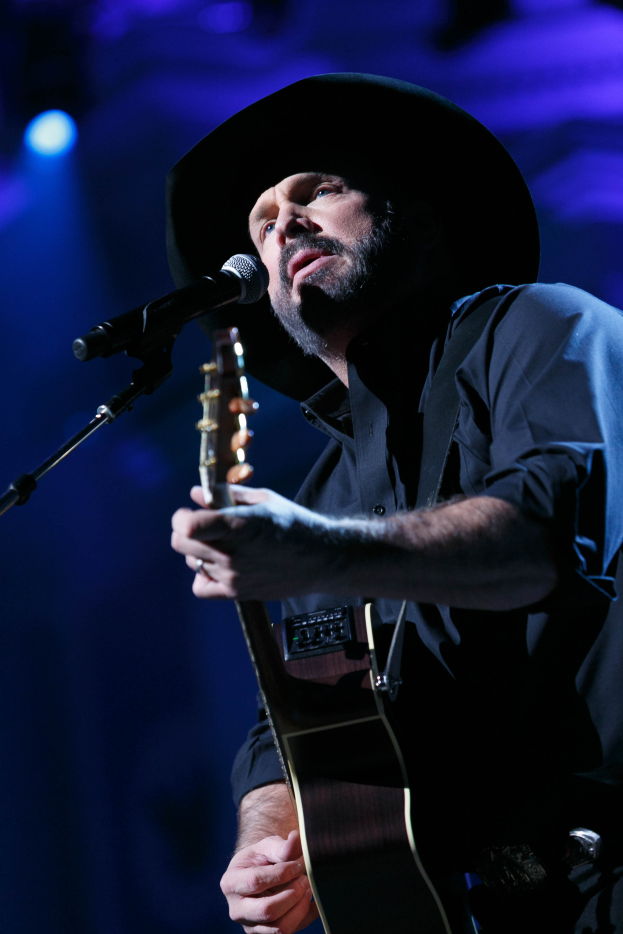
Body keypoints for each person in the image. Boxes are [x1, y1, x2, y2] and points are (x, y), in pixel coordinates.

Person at [167, 75, 623, 933]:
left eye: (318, 193)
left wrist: (319, 552)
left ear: (416, 218)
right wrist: (268, 840)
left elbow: (544, 535)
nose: (283, 225)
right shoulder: (320, 494)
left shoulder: (540, 328)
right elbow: (295, 712)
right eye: (263, 224)